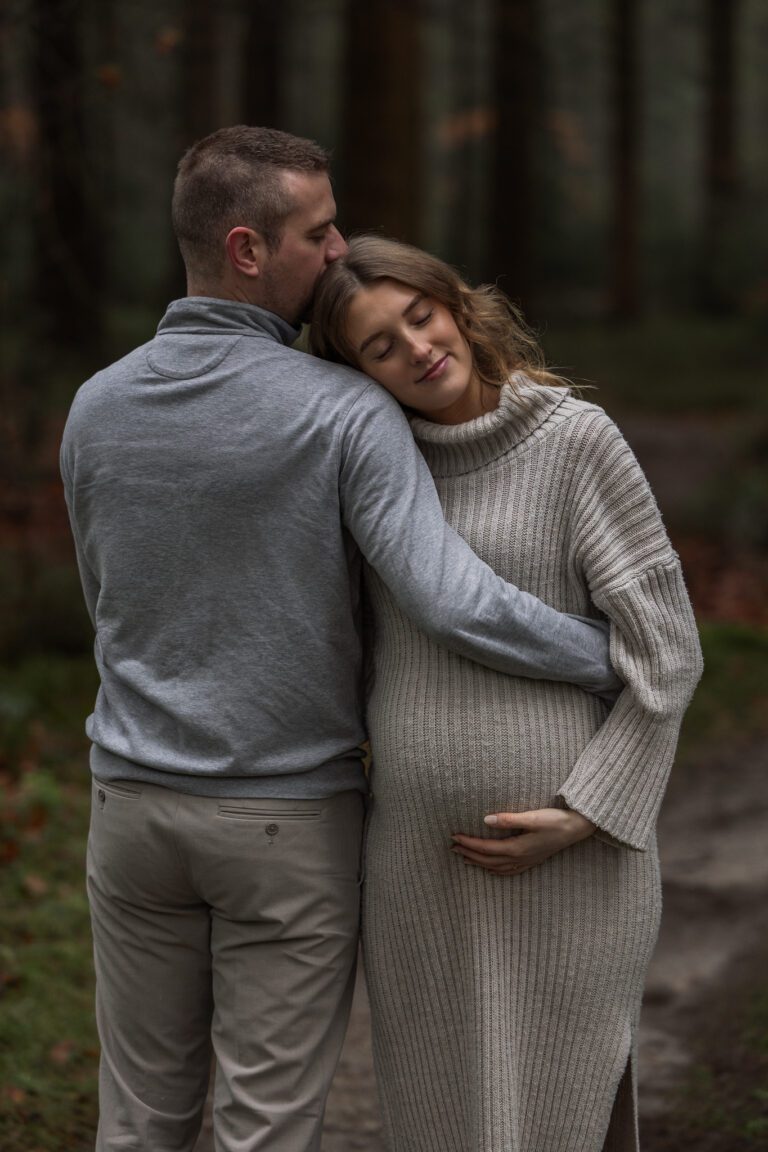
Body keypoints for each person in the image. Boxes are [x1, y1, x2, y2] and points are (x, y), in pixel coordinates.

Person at [59, 127, 620, 1152]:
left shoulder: (95, 408)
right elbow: (450, 600)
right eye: (317, 232)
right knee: (263, 1128)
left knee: (137, 1119)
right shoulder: (342, 409)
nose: (336, 248)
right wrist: (606, 655)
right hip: (282, 818)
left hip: (129, 810)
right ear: (245, 248)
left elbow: (112, 599)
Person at [310, 234, 704, 1152]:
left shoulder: (573, 440)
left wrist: (590, 811)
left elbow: (668, 651)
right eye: (379, 345)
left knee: (572, 1104)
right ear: (355, 371)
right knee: (441, 1116)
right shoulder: (371, 470)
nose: (415, 347)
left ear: (454, 306)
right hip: (418, 867)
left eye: (420, 315)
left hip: (572, 863)